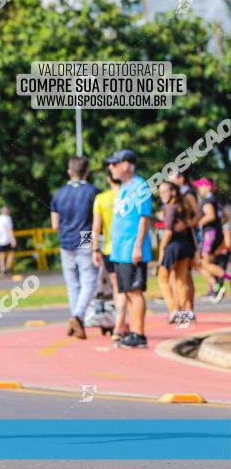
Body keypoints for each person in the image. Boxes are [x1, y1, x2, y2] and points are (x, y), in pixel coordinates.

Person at [106, 149, 151, 349]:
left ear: (125, 165)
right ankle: (133, 332)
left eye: (114, 164)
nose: (110, 168)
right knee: (128, 292)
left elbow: (144, 218)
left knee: (134, 292)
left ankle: (139, 334)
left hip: (131, 250)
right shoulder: (124, 188)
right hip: (120, 251)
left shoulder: (140, 186)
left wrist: (138, 246)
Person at [51, 156, 99, 339]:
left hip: (65, 238)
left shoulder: (58, 194)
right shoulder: (93, 192)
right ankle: (78, 316)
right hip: (85, 235)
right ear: (87, 171)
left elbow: (54, 224)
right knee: (89, 280)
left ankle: (76, 317)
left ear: (69, 171)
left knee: (72, 283)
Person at [156, 182, 197, 325]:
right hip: (185, 245)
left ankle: (174, 310)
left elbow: (168, 232)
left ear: (173, 192)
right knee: (181, 281)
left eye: (164, 191)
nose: (162, 195)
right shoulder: (182, 206)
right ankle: (184, 316)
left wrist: (161, 249)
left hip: (173, 247)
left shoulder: (171, 208)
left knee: (162, 278)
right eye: (160, 192)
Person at [92, 170, 126, 340]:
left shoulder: (101, 198)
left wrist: (95, 250)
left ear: (108, 179)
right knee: (127, 289)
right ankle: (122, 324)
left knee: (117, 288)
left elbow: (96, 228)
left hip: (109, 249)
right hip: (127, 248)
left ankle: (119, 325)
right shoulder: (129, 196)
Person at [193, 178, 231, 300]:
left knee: (204, 263)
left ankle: (224, 281)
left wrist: (197, 222)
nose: (199, 189)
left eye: (201, 186)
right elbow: (226, 216)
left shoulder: (207, 200)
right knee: (207, 262)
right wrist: (218, 225)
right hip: (217, 232)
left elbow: (211, 215)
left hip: (210, 234)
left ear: (208, 187)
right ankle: (214, 289)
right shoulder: (217, 200)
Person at [0, 206, 16, 275]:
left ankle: (2, 270)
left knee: (1, 254)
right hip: (7, 239)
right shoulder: (7, 218)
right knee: (12, 252)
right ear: (6, 212)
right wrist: (13, 239)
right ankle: (8, 267)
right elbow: (10, 229)